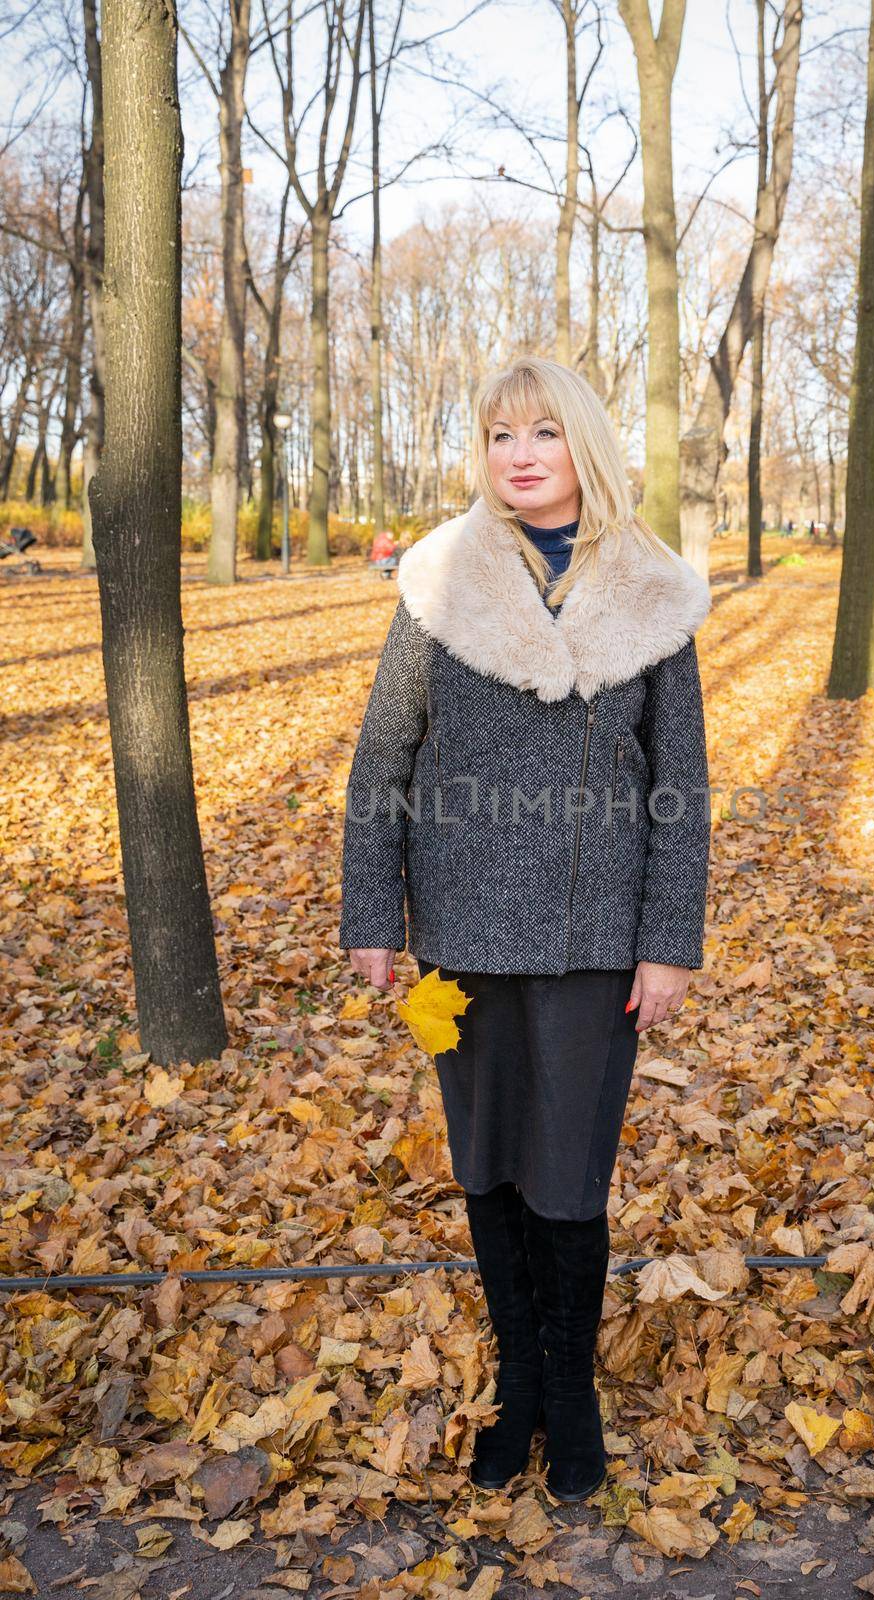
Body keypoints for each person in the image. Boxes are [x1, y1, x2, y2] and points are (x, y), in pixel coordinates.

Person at [339, 355, 711, 1504]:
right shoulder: (441, 581)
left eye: (544, 431)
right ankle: (517, 1386)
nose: (521, 454)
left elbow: (682, 784)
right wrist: (373, 913)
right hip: (462, 928)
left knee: (570, 1172)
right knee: (489, 1160)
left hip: (598, 936)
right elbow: (383, 755)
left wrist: (669, 939)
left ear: (583, 445)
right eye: (501, 435)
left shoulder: (654, 593)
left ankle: (573, 1393)